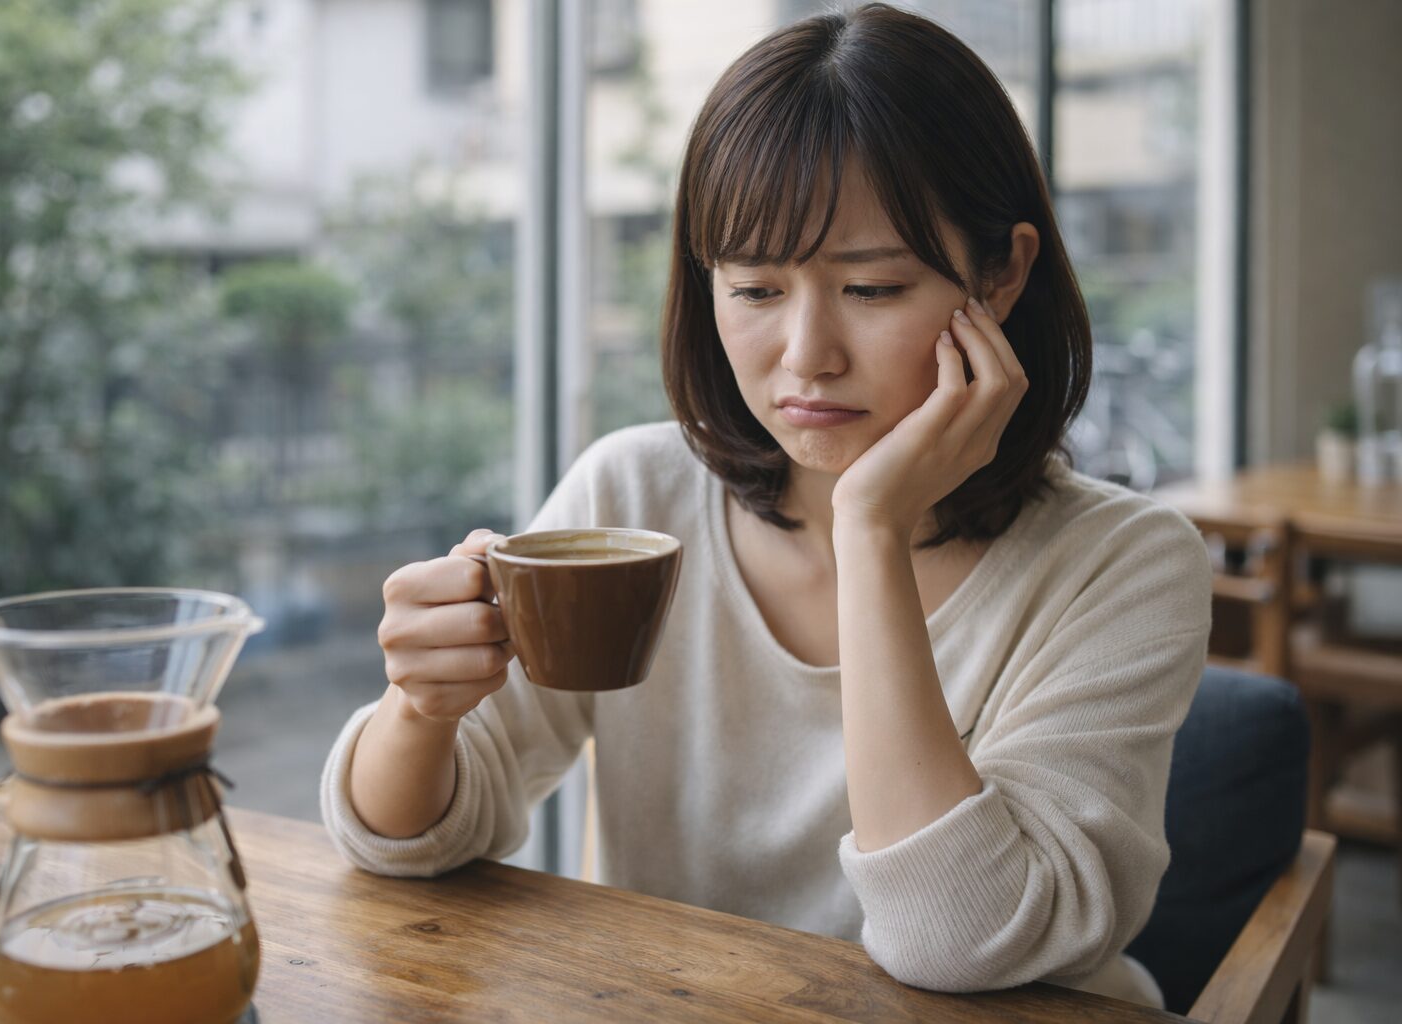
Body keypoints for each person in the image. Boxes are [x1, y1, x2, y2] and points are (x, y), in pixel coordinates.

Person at [321, 3, 1211, 1009]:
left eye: (871, 289)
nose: (805, 356)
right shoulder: (635, 498)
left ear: (1002, 274)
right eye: (753, 289)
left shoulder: (1126, 561)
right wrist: (420, 707)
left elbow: (962, 940)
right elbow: (407, 838)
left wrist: (869, 526)